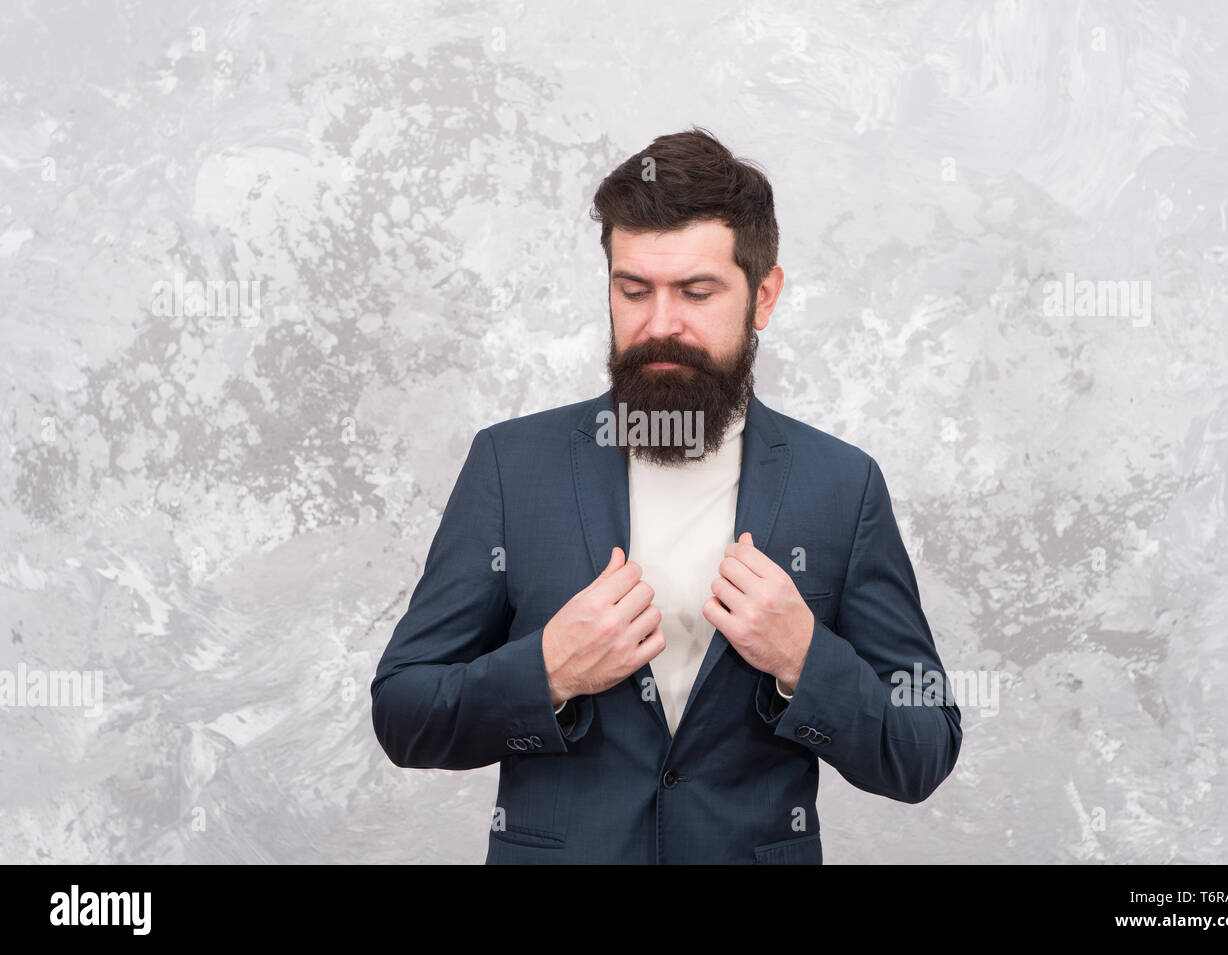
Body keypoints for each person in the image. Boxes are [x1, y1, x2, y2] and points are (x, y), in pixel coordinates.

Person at [370, 126, 962, 864]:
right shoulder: (509, 465)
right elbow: (403, 711)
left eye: (696, 291)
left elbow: (924, 745)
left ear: (764, 296)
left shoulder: (841, 485)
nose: (660, 326)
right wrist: (548, 669)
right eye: (634, 290)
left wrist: (807, 658)